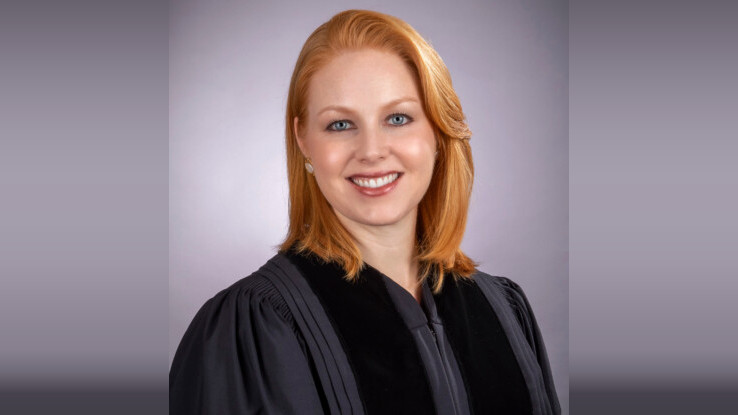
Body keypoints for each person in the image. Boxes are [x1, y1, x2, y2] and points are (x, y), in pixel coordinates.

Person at [170, 9, 560, 415]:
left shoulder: (501, 310)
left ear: (438, 132)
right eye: (340, 124)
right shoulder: (256, 330)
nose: (372, 151)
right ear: (303, 140)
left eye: (398, 118)